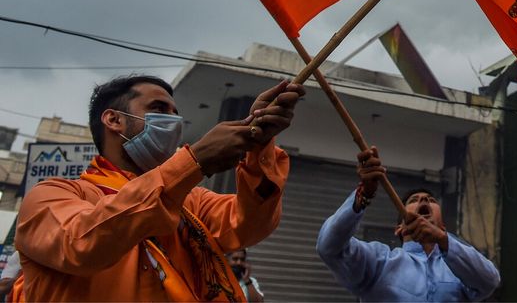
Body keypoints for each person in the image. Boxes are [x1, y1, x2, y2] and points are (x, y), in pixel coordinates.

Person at [15, 74, 304, 301]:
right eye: (158, 109)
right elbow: (82, 243)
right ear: (113, 119)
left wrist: (259, 148)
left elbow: (250, 225)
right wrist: (193, 163)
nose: (173, 121)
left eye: (175, 112)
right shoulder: (51, 196)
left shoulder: (191, 201)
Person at [316, 146, 500, 301]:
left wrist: (444, 241)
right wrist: (363, 195)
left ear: (443, 227)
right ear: (400, 228)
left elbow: (489, 280)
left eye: (431, 200)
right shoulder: (380, 262)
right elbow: (329, 248)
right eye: (414, 200)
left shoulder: (458, 269)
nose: (424, 201)